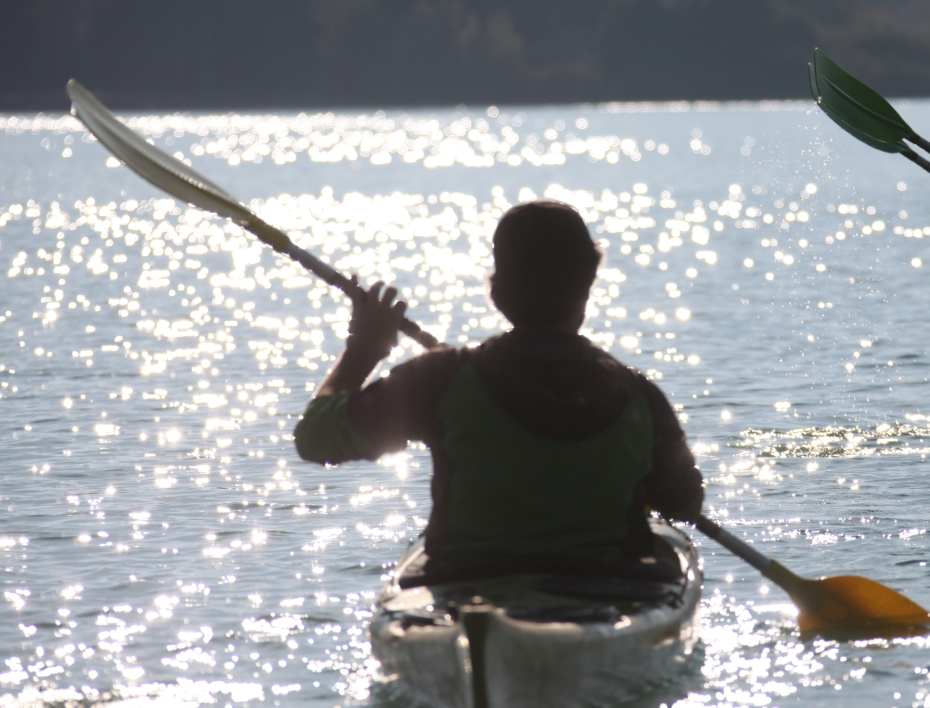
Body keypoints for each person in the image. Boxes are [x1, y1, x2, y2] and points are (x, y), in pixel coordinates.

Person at [294, 200, 704, 583]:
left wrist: (365, 348)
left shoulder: (438, 379)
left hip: (468, 586)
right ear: (590, 280)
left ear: (495, 290)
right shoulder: (640, 397)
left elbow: (315, 437)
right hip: (607, 590)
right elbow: (683, 505)